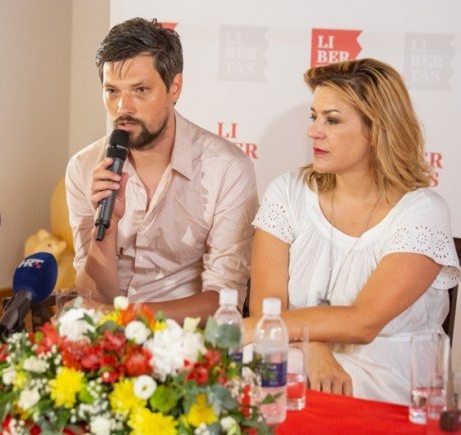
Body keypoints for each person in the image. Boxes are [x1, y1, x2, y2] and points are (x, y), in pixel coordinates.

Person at [246, 58, 461, 404]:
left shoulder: (423, 211)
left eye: (331, 120)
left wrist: (255, 332)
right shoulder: (287, 192)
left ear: (377, 130)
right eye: (314, 117)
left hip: (391, 378)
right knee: (249, 377)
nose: (313, 131)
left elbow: (364, 322)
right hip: (298, 358)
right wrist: (312, 346)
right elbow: (266, 314)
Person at [65, 18, 257, 323]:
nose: (123, 107)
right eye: (112, 91)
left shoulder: (226, 168)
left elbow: (225, 299)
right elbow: (92, 295)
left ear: (174, 88)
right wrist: (107, 232)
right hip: (107, 334)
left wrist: (127, 318)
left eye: (141, 90)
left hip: (186, 337)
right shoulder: (84, 167)